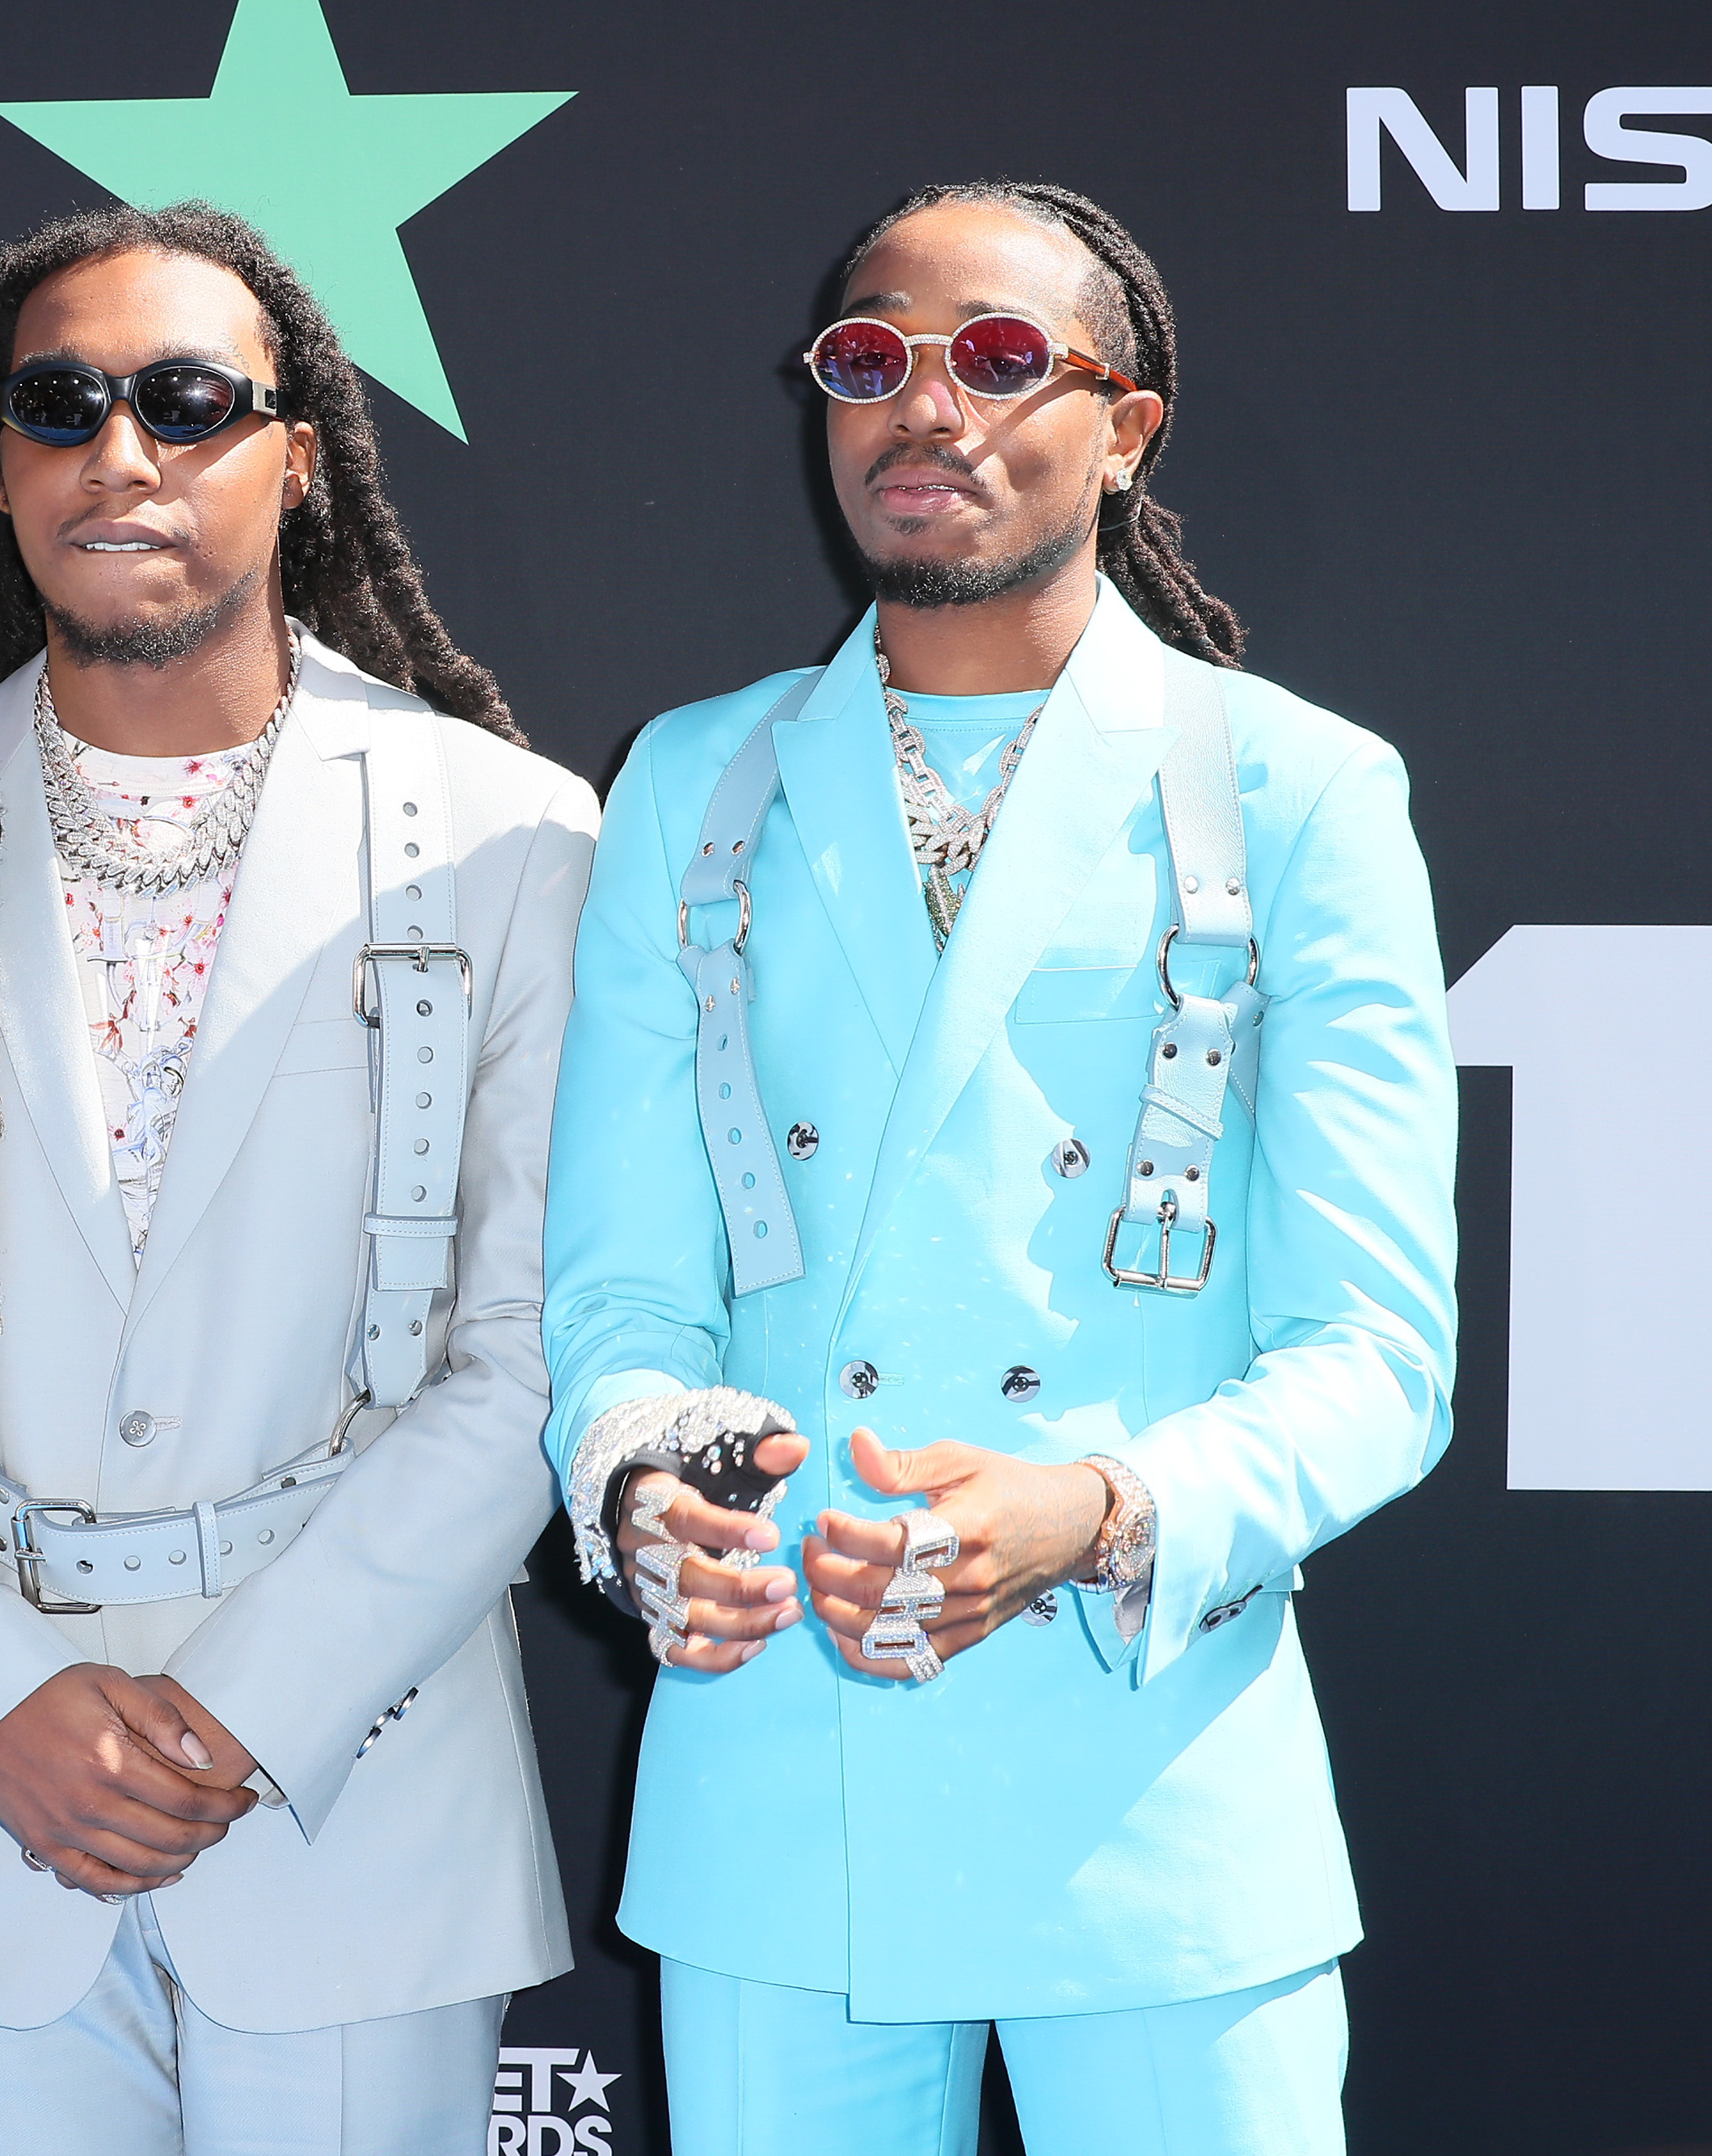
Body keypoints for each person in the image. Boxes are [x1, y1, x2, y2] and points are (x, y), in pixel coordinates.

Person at [539, 182, 1455, 2154]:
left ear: (1125, 423)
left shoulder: (1297, 788)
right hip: (776, 1773)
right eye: (869, 358)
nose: (925, 406)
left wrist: (1098, 1507)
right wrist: (641, 1480)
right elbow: (617, 1295)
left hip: (1148, 1785)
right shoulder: (692, 782)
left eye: (1002, 356)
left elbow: (1376, 1350)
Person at [0, 203, 593, 2154]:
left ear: (297, 455)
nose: (122, 453)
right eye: (61, 403)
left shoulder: (509, 833)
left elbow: (534, 1343)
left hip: (354, 1787)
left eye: (188, 399)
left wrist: (248, 1707)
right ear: (1, 465)